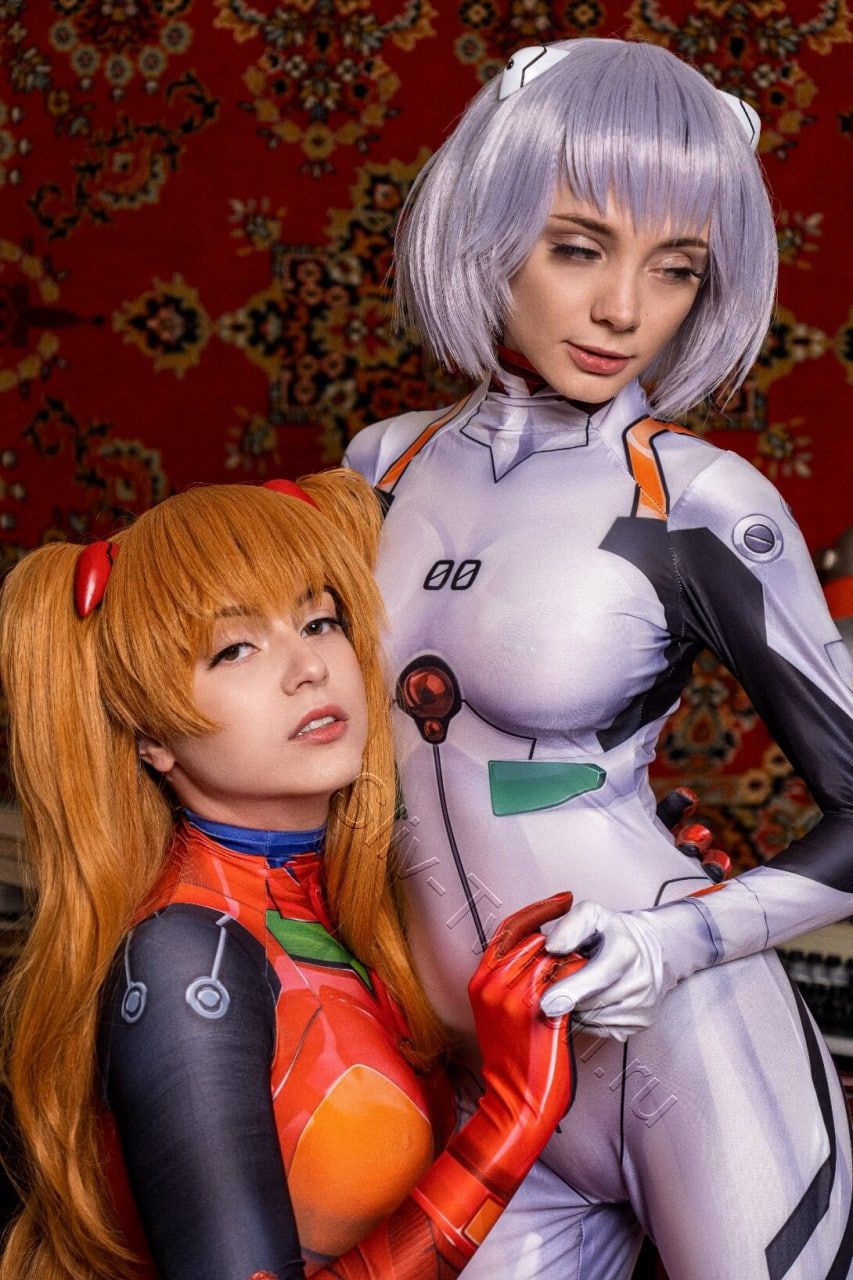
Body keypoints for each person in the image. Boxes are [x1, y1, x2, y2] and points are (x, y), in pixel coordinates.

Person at [344, 37, 853, 1280]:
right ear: (489, 224)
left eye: (675, 268)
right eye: (578, 247)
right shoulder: (381, 468)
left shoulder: (694, 499)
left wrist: (675, 941)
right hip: (480, 1078)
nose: (626, 310)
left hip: (684, 1041)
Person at [0, 472, 586, 1280]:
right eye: (234, 648)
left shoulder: (368, 907)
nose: (308, 666)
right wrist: (508, 1123)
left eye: (320, 621)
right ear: (150, 737)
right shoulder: (182, 960)